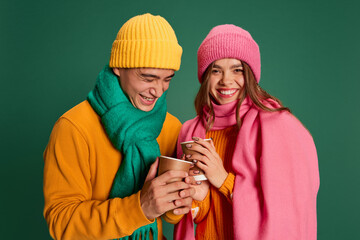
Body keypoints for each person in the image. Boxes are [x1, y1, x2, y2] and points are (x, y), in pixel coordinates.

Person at [43, 13, 195, 240]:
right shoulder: (73, 127)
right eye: (148, 77)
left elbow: (170, 216)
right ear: (118, 67)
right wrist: (139, 208)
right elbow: (61, 223)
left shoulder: (172, 126)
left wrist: (180, 199)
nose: (158, 90)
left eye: (167, 79)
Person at [170, 24, 320, 239]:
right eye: (216, 70)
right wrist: (197, 196)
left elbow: (283, 214)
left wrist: (223, 179)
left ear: (250, 74)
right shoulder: (191, 131)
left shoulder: (279, 127)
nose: (226, 80)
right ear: (204, 76)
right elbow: (201, 217)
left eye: (237, 69)